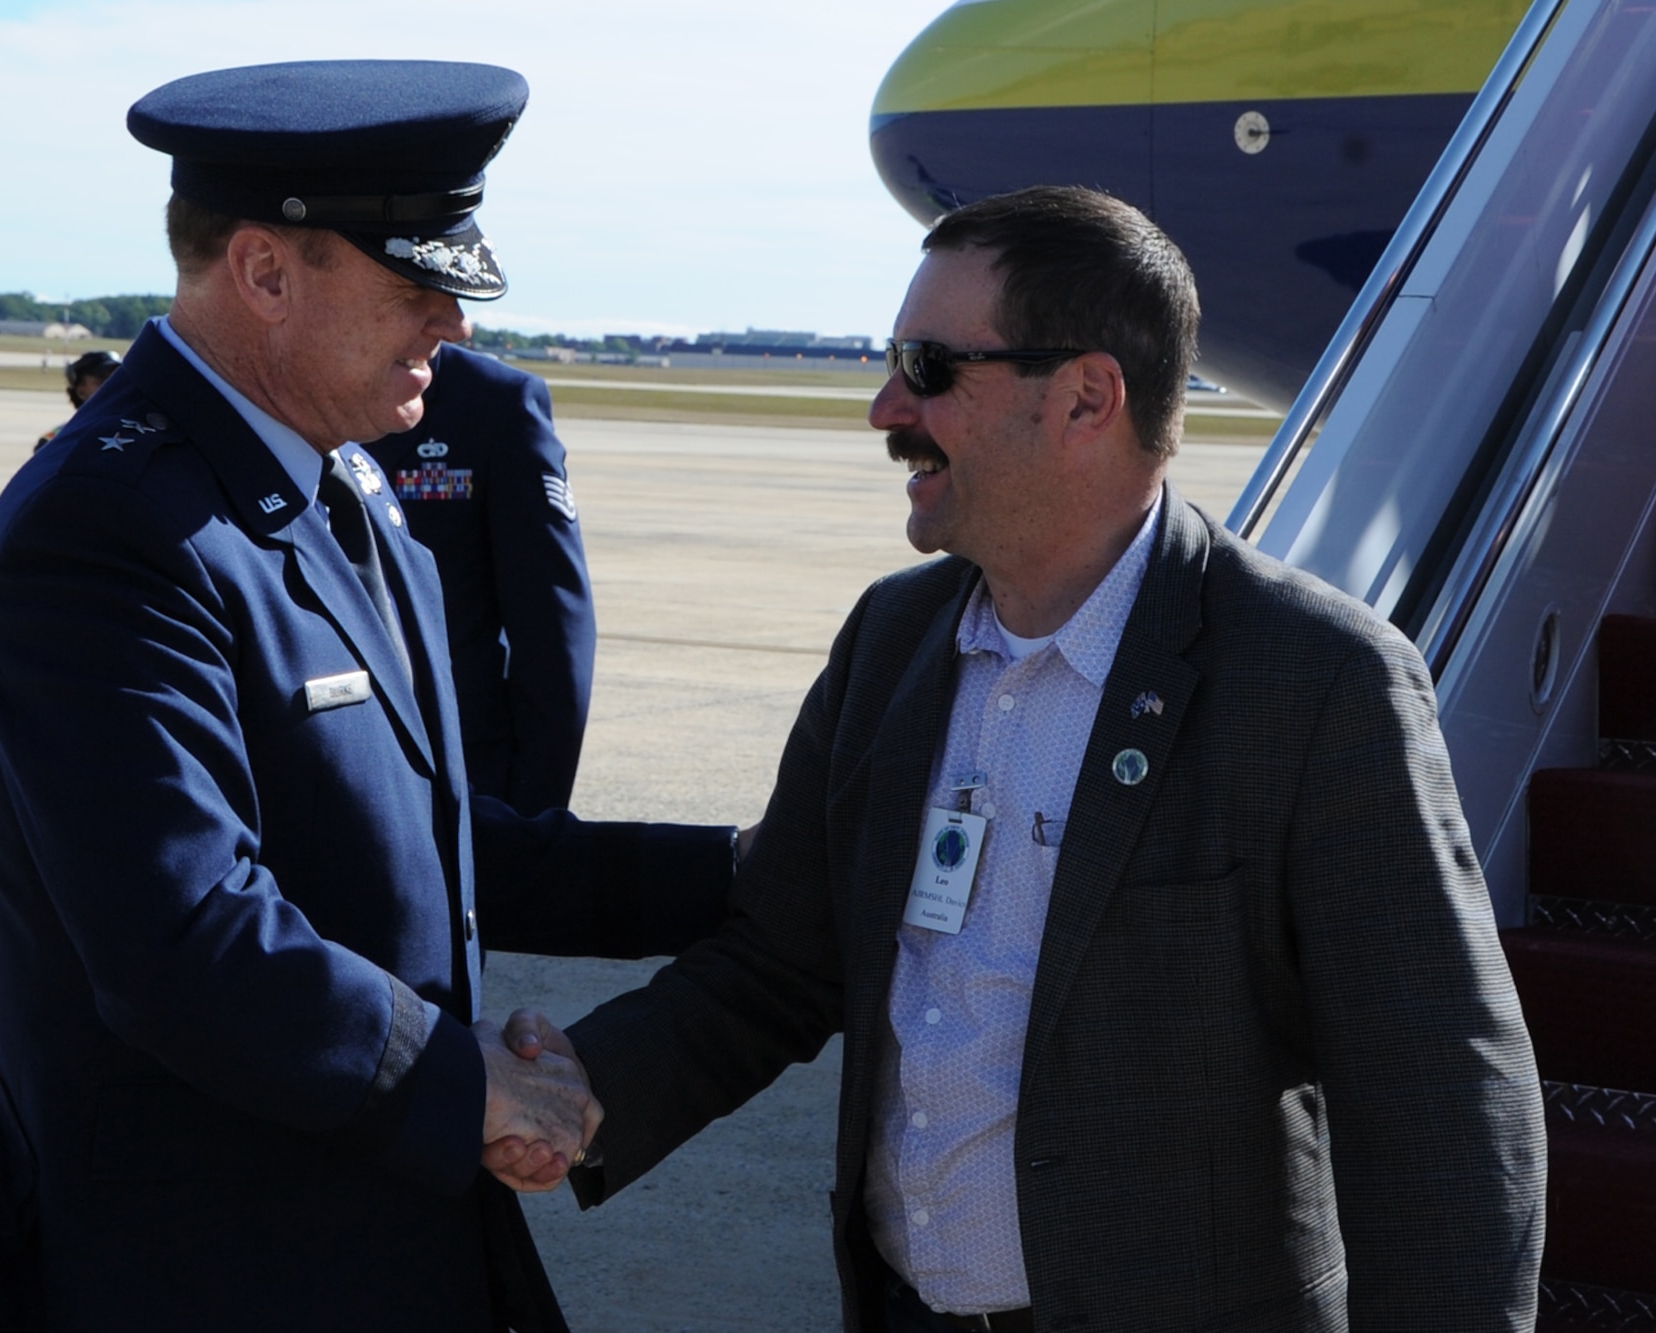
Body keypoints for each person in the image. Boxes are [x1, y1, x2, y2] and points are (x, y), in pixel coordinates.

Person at [524, 187, 1546, 1332]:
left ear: (1085, 397)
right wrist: (573, 1091)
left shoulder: (1313, 684)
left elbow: (1441, 1102)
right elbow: (779, 960)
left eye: (926, 366)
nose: (882, 407)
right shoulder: (890, 645)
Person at [0, 60, 737, 1333]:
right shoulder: (113, 533)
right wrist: (464, 1085)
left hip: (377, 1231)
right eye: (415, 286)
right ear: (265, 273)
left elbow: (435, 844)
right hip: (213, 1263)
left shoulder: (341, 486)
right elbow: (181, 936)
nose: (449, 327)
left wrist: (749, 874)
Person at [370, 340, 595, 813]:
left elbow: (552, 631)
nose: (457, 323)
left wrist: (530, 819)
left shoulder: (491, 402)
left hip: (452, 779)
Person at [34, 349, 122, 451]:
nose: (112, 385)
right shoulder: (55, 441)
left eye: (117, 378)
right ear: (81, 391)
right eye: (101, 380)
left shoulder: (137, 432)